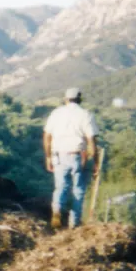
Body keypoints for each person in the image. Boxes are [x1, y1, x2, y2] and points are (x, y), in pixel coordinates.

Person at [42, 87, 98, 230]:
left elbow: (47, 138)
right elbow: (91, 140)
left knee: (61, 187)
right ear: (80, 99)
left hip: (59, 155)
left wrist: (48, 157)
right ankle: (75, 225)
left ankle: (57, 212)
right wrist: (96, 162)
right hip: (78, 156)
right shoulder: (86, 115)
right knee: (78, 190)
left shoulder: (56, 114)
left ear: (65, 99)